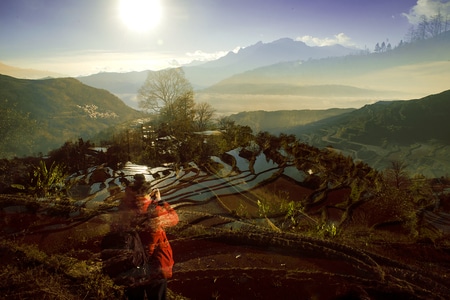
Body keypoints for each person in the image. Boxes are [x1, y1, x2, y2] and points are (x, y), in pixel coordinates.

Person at [122, 174, 179, 300]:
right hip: (156, 266)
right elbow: (174, 219)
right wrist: (160, 200)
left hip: (132, 265)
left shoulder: (124, 210)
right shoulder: (156, 210)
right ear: (148, 192)